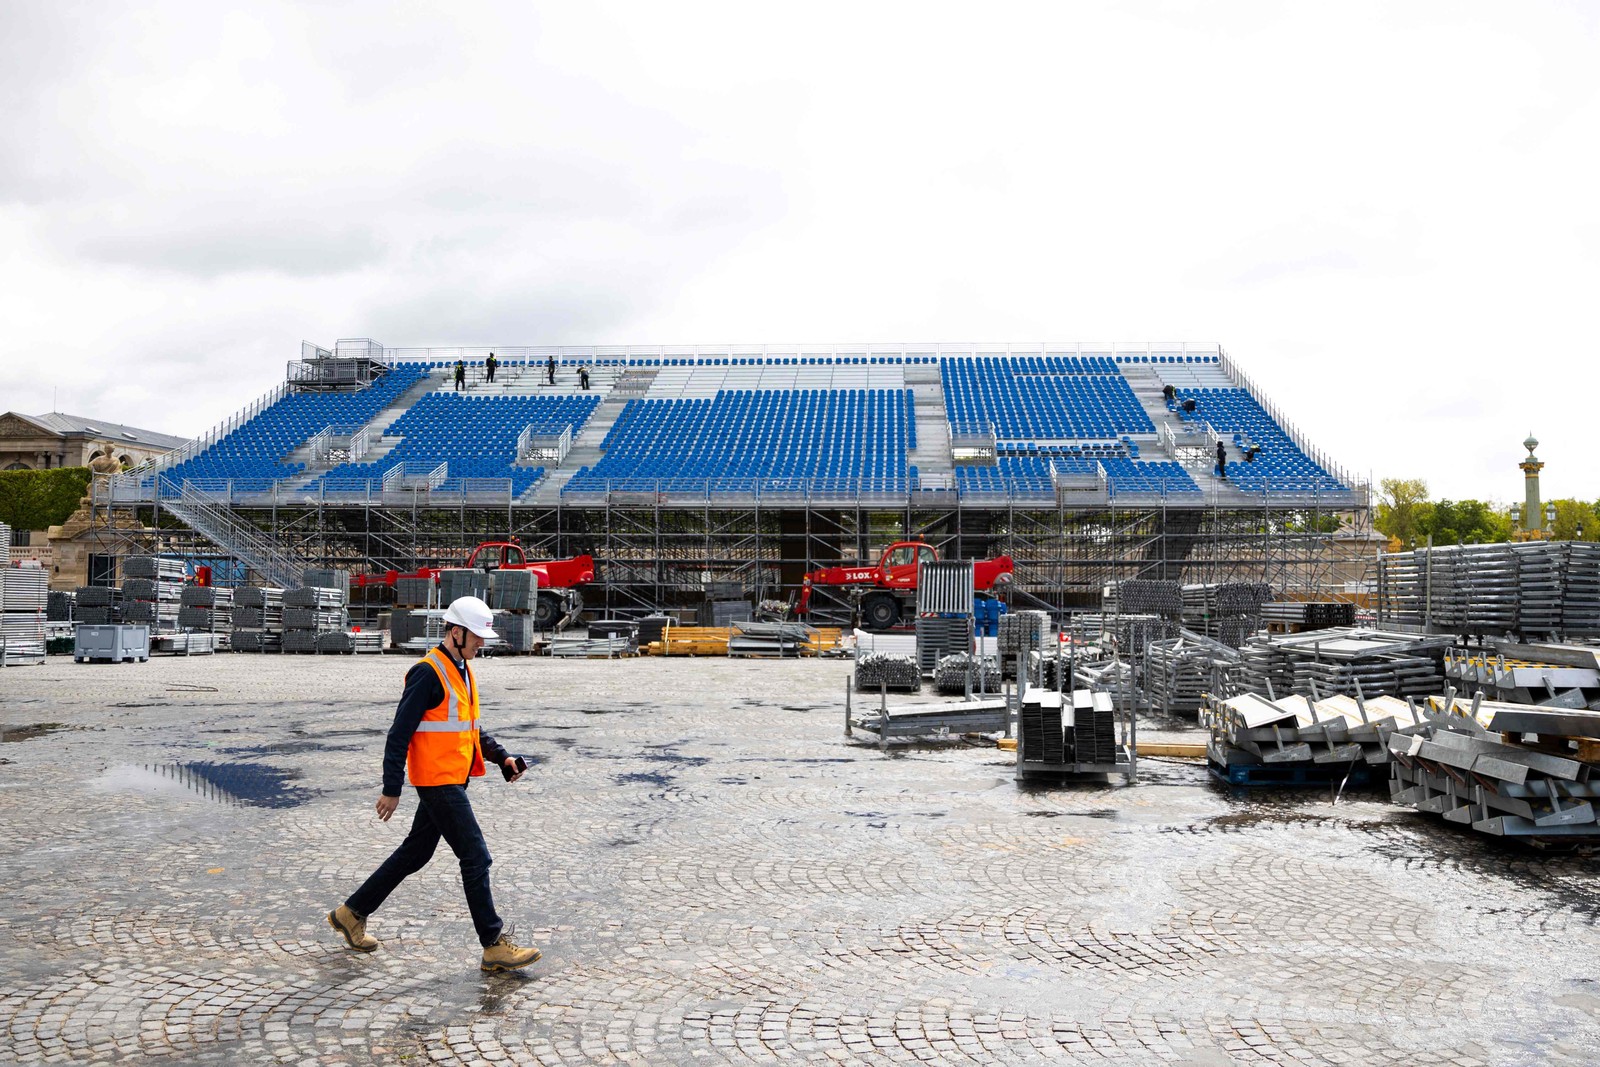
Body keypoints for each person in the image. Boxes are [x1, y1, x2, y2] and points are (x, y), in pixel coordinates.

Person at [328, 595, 541, 973]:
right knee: (476, 856)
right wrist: (391, 788)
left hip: (453, 780)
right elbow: (399, 734)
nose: (481, 643)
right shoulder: (428, 672)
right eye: (476, 636)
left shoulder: (461, 668)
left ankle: (351, 913)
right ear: (456, 632)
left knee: (416, 853)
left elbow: (471, 729)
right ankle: (493, 945)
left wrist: (502, 757)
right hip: (437, 782)